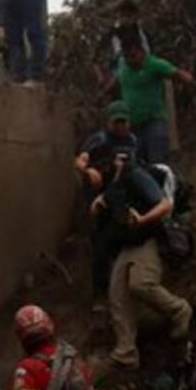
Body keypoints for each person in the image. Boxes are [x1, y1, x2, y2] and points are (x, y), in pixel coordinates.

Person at [93, 155, 193, 371]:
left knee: (140, 283)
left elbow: (165, 205)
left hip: (148, 239)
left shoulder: (135, 175)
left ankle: (179, 310)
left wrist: (142, 220)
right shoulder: (114, 187)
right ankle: (126, 352)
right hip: (127, 244)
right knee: (117, 294)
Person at [75, 103, 142, 300]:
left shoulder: (133, 141)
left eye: (124, 121)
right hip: (99, 198)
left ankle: (125, 289)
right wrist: (88, 170)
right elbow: (79, 160)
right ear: (109, 121)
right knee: (100, 246)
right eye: (117, 122)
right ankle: (100, 294)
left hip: (122, 198)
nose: (121, 126)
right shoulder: (99, 139)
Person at [107, 40, 194, 165]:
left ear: (142, 52)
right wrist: (100, 95)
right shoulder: (123, 66)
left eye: (133, 56)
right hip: (133, 125)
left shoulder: (155, 65)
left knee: (157, 161)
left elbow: (178, 74)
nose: (130, 60)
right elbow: (115, 81)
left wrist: (192, 81)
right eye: (126, 57)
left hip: (154, 121)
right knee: (137, 163)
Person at [97, 0, 151, 86]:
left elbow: (149, 53)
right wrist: (101, 77)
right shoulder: (111, 35)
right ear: (117, 16)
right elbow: (97, 59)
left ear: (135, 16)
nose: (125, 19)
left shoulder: (143, 34)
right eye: (122, 15)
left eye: (129, 16)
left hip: (141, 71)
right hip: (116, 74)